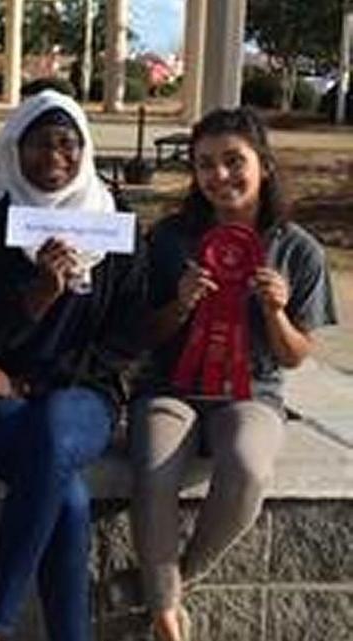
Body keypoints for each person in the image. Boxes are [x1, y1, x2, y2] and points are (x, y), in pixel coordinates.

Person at [0, 89, 145, 641]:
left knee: (56, 426)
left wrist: (33, 382)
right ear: (15, 150)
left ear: (84, 151)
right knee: (70, 498)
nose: (55, 157)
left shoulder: (115, 226)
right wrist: (35, 298)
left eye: (68, 144)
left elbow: (127, 338)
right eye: (39, 144)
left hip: (82, 399)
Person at [130, 107, 338, 641]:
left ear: (263, 165)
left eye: (233, 161)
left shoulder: (299, 249)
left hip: (252, 393)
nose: (219, 176)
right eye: (205, 165)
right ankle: (165, 618)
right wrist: (179, 306)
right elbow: (140, 337)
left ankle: (169, 586)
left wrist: (274, 312)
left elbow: (295, 356)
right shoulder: (169, 239)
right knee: (153, 471)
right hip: (170, 388)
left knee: (247, 468)